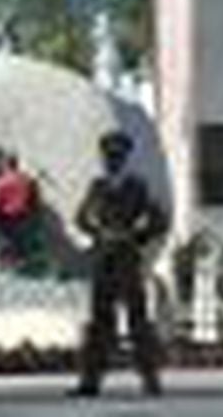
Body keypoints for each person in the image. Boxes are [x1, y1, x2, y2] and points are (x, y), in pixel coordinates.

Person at [68, 130, 167, 398]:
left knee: (138, 320)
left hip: (127, 257)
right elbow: (80, 218)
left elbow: (158, 221)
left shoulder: (137, 186)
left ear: (124, 158)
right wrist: (98, 233)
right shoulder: (97, 186)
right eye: (108, 156)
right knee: (99, 321)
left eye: (116, 156)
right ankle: (91, 380)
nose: (111, 161)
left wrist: (135, 237)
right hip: (103, 258)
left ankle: (150, 379)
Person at [0, 153, 38, 269]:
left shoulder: (0, 183)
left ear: (5, 165)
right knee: (19, 239)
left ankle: (7, 262)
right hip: (23, 215)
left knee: (5, 240)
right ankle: (21, 259)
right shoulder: (24, 179)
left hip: (5, 216)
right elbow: (33, 194)